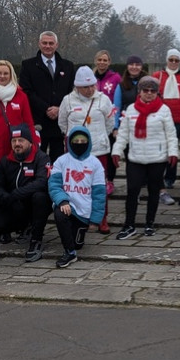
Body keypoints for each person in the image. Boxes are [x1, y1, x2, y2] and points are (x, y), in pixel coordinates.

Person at [111, 76, 180, 241]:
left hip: (157, 158)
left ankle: (150, 223)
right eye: (145, 90)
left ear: (157, 93)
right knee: (132, 191)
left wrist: (173, 153)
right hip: (135, 158)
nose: (149, 94)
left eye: (152, 91)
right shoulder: (131, 110)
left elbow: (171, 134)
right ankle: (129, 224)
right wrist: (116, 151)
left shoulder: (163, 110)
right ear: (139, 92)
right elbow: (123, 134)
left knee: (153, 192)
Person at [58, 65, 115, 234]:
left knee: (99, 186)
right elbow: (62, 123)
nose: (90, 90)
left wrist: (100, 137)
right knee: (75, 186)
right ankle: (76, 216)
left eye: (92, 86)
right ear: (77, 87)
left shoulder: (103, 99)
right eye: (85, 87)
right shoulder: (67, 100)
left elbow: (110, 123)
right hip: (75, 152)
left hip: (98, 150)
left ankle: (101, 218)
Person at [0, 124, 52, 262]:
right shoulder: (6, 160)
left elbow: (41, 182)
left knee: (40, 196)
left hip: (33, 205)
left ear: (29, 142)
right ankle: (6, 233)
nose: (17, 144)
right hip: (14, 206)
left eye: (21, 140)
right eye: (14, 141)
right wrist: (7, 198)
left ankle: (36, 239)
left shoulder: (41, 158)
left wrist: (17, 194)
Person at [48, 126, 106, 267]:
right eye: (76, 140)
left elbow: (99, 194)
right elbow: (54, 184)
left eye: (82, 140)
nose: (79, 143)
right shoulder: (61, 161)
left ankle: (75, 242)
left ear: (88, 142)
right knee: (60, 214)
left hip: (84, 211)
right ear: (70, 142)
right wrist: (62, 201)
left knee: (78, 243)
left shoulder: (95, 163)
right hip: (68, 205)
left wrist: (95, 219)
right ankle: (70, 253)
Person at [18, 31, 75, 160]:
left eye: (51, 43)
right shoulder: (28, 65)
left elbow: (72, 92)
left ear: (56, 45)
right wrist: (46, 108)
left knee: (59, 160)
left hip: (60, 121)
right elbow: (26, 91)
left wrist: (59, 108)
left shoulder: (68, 66)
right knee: (36, 159)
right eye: (44, 43)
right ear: (39, 44)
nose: (47, 46)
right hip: (38, 121)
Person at [157, 49, 180, 197]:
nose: (173, 63)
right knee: (159, 148)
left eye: (176, 60)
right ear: (167, 60)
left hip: (176, 119)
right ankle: (157, 176)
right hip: (160, 118)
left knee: (173, 148)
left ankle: (170, 177)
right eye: (171, 60)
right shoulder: (158, 76)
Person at [92, 49, 123, 192]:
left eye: (105, 60)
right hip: (93, 120)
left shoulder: (116, 78)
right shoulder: (91, 77)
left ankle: (110, 180)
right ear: (96, 61)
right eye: (100, 59)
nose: (102, 62)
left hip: (110, 120)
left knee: (110, 152)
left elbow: (118, 100)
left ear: (109, 62)